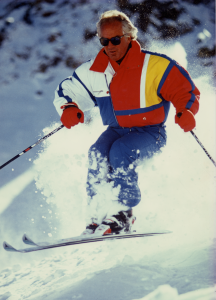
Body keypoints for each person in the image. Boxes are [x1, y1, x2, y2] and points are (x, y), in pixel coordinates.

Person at [53, 10, 200, 236]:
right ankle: (99, 214)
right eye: (104, 41)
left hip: (150, 133)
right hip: (116, 130)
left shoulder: (154, 65)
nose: (110, 46)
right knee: (97, 153)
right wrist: (69, 108)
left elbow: (184, 90)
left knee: (121, 151)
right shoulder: (95, 70)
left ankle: (123, 214)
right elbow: (67, 90)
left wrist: (186, 110)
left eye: (115, 39)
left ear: (129, 37)